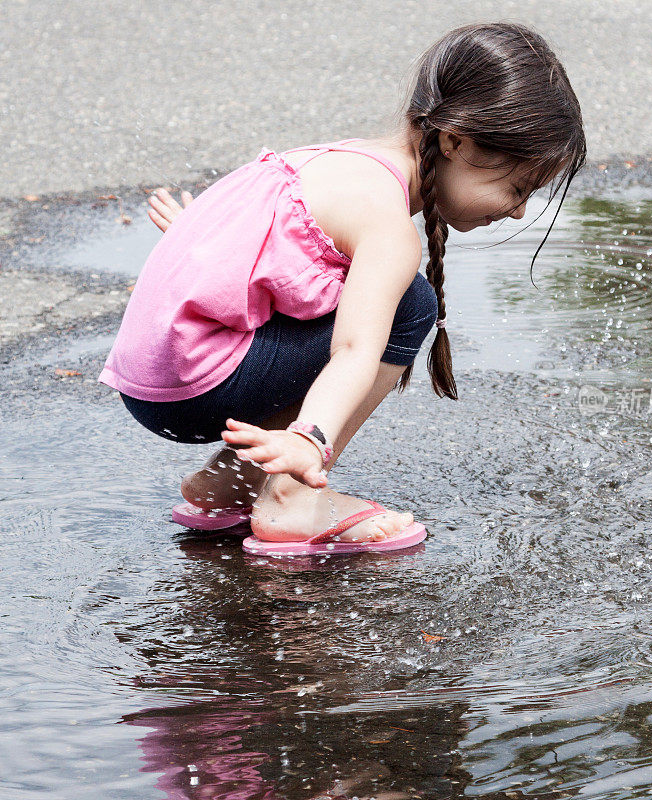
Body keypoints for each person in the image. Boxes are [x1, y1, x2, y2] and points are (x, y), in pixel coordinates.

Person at [99, 21, 586, 547]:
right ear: (454, 140)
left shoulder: (337, 161)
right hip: (192, 387)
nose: (518, 212)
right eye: (516, 187)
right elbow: (355, 350)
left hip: (150, 377)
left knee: (355, 291)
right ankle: (290, 498)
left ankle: (228, 483)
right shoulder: (388, 227)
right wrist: (312, 442)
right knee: (410, 302)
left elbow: (264, 246)